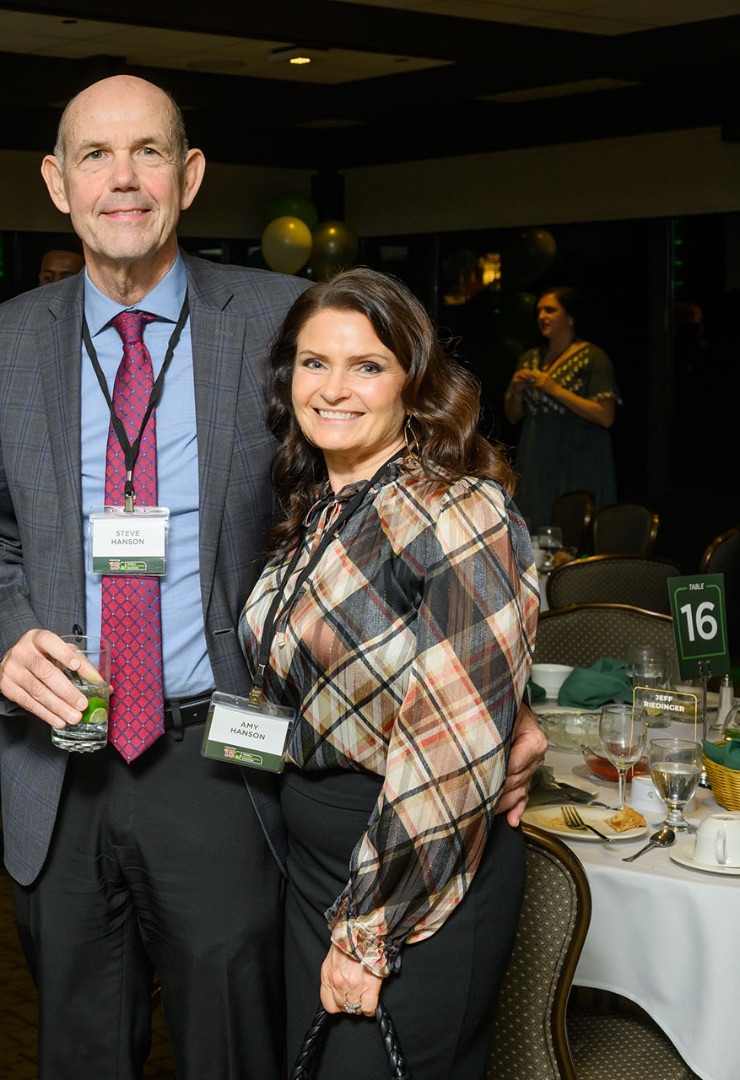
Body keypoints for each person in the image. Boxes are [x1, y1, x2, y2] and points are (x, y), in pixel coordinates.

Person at [0, 74, 548, 1079]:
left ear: (189, 176)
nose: (124, 179)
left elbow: (404, 514)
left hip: (223, 759)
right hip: (59, 764)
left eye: (148, 151)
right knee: (75, 1049)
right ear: (57, 183)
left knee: (233, 1044)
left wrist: (502, 706)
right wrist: (5, 633)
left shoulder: (286, 322)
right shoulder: (1, 339)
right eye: (95, 156)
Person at [240, 268, 537, 1077]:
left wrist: (370, 937)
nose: (334, 388)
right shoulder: (318, 505)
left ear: (416, 380)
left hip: (415, 874)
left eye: (367, 365)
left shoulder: (459, 510)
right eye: (313, 363)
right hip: (314, 870)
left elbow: (452, 752)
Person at [503, 285, 619, 526]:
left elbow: (606, 416)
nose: (542, 317)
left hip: (576, 459)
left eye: (550, 310)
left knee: (571, 527)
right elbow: (513, 416)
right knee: (533, 525)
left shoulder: (592, 357)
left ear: (570, 316)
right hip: (535, 458)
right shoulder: (530, 358)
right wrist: (515, 391)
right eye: (539, 312)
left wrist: (555, 389)